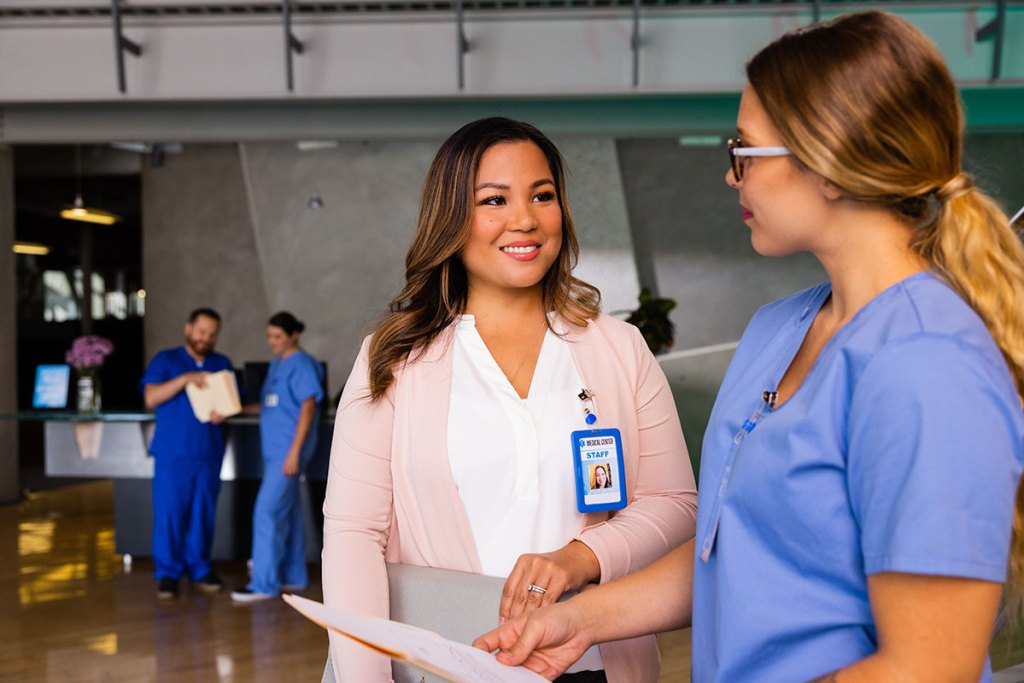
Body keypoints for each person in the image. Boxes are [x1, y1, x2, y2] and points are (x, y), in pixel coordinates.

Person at [474, 12, 1024, 682]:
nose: (732, 176)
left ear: (828, 163)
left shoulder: (929, 365)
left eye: (745, 151)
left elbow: (929, 665)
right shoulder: (776, 329)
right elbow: (732, 551)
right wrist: (580, 619)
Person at [322, 117, 697, 682]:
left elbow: (674, 502)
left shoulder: (618, 347)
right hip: (448, 667)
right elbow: (353, 537)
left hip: (593, 662)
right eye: (493, 200)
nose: (524, 219)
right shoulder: (394, 358)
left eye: (542, 195)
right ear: (450, 218)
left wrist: (580, 557)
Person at [141, 307, 235, 600]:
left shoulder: (222, 363)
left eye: (211, 333)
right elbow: (151, 398)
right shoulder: (166, 361)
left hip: (208, 452)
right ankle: (168, 574)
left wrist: (225, 413)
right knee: (170, 515)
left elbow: (233, 402)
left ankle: (200, 568)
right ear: (188, 329)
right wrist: (184, 379)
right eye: (201, 332)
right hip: (173, 454)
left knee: (202, 515)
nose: (206, 338)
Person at [231, 312, 324, 603]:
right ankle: (293, 576)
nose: (272, 342)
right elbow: (272, 406)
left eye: (278, 337)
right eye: (269, 336)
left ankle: (263, 583)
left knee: (266, 512)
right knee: (289, 514)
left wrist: (294, 452)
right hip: (275, 453)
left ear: (294, 334)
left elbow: (308, 408)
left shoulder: (302, 365)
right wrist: (235, 408)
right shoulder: (277, 365)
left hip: (287, 453)